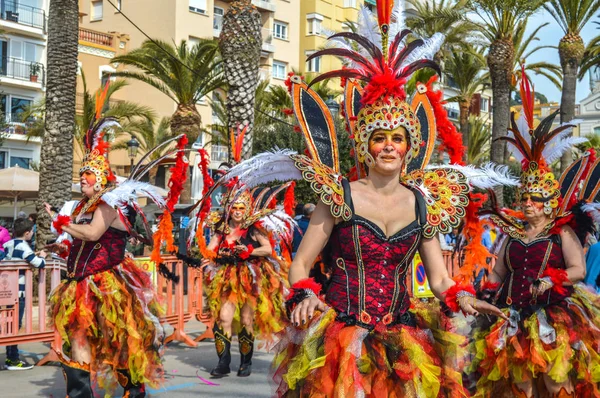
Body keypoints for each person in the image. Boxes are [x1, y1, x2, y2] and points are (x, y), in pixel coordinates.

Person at [267, 4, 510, 395]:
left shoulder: (421, 203)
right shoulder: (339, 197)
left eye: (397, 139)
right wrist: (306, 294)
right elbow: (300, 263)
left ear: (409, 146)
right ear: (365, 144)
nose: (388, 147)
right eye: (379, 138)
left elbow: (439, 278)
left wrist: (463, 297)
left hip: (401, 337)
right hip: (340, 334)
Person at [44, 98, 189, 397]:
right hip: (79, 283)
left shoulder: (109, 203)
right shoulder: (81, 204)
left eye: (88, 175)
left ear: (100, 180)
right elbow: (78, 239)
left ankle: (133, 391)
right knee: (79, 337)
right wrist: (61, 248)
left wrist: (62, 225)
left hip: (107, 283)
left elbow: (94, 233)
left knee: (118, 338)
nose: (82, 179)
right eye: (81, 174)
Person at [470, 71, 600, 397]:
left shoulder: (562, 233)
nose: (528, 204)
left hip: (553, 315)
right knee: (519, 383)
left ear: (548, 203)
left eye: (535, 199)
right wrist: (482, 293)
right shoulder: (512, 234)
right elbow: (499, 272)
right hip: (513, 314)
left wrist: (553, 279)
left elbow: (578, 270)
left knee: (555, 382)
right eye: (524, 198)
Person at [197, 186, 294, 378]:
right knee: (224, 318)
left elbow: (267, 249)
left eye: (241, 208)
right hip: (227, 278)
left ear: (247, 209)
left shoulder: (254, 228)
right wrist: (211, 256)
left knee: (246, 319)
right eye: (234, 208)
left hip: (251, 278)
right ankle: (223, 363)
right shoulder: (221, 229)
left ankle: (245, 362)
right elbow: (210, 249)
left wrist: (248, 251)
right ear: (229, 210)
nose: (238, 212)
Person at [0, 218, 46, 371]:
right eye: (32, 232)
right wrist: (43, 257)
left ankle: (11, 354)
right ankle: (12, 359)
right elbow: (38, 263)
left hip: (7, 291)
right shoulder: (24, 246)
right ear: (27, 233)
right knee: (15, 325)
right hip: (19, 292)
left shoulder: (9, 244)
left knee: (8, 324)